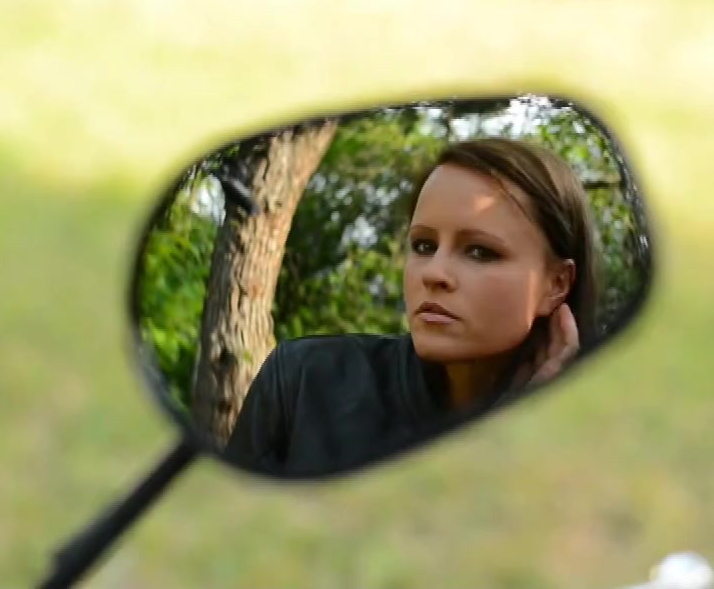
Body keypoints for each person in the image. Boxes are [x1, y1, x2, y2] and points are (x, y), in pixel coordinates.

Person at [222, 137, 601, 477]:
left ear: (556, 284)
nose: (434, 273)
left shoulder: (589, 447)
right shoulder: (304, 383)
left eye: (480, 252)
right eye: (423, 246)